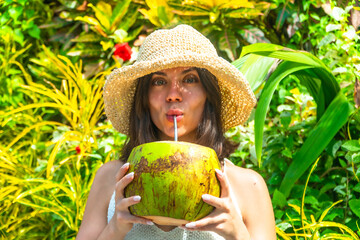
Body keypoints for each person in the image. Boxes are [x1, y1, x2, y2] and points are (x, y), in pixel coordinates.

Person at [76, 24, 276, 240]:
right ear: (144, 99)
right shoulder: (111, 179)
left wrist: (237, 232)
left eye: (189, 79)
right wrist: (115, 229)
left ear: (208, 94)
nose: (173, 95)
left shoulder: (248, 187)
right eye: (159, 82)